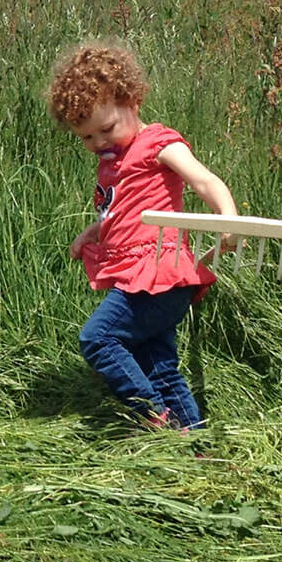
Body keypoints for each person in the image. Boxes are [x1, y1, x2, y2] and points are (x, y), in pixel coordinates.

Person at [46, 42, 240, 430]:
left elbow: (203, 179)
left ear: (131, 102)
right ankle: (193, 446)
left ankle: (151, 414)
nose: (99, 143)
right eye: (86, 137)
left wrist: (228, 217)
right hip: (141, 274)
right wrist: (94, 230)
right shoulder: (114, 161)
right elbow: (123, 211)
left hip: (160, 275)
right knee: (160, 366)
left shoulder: (158, 143)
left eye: (106, 129)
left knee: (98, 339)